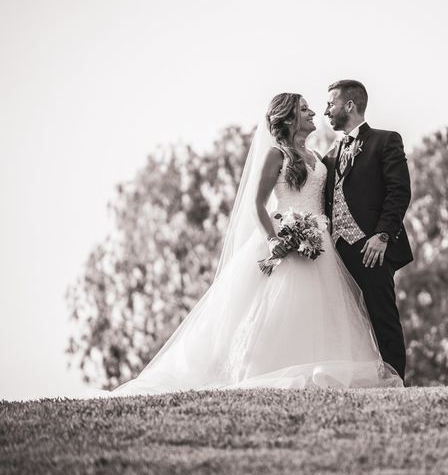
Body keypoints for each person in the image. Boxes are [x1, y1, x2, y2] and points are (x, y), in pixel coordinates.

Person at [109, 92, 402, 396]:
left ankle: (322, 369)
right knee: (282, 308)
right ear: (289, 118)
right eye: (304, 109)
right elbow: (257, 205)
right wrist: (275, 238)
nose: (314, 112)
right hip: (287, 241)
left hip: (322, 244)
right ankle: (271, 368)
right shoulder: (277, 154)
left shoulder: (319, 156)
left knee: (323, 311)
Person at [323, 80, 413, 381]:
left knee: (382, 315)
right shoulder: (329, 155)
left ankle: (396, 380)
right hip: (335, 252)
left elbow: (399, 192)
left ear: (349, 105)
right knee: (343, 320)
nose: (326, 110)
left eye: (330, 103)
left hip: (372, 247)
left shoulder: (385, 141)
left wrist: (383, 235)